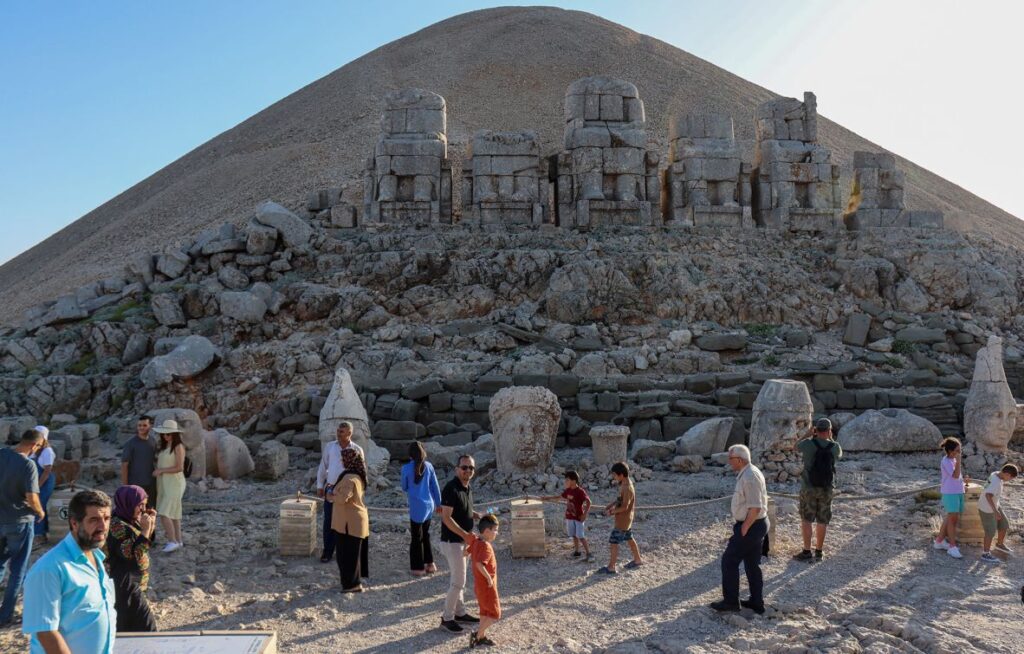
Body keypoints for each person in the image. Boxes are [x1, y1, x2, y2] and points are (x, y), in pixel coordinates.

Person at [22, 489, 116, 654]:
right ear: (74, 523)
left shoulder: (96, 558)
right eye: (94, 520)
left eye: (107, 518)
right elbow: (46, 633)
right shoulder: (49, 569)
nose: (103, 526)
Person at [711, 444, 769, 614]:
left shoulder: (750, 476)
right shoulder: (748, 473)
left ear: (740, 459)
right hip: (755, 524)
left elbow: (755, 507)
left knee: (729, 560)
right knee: (752, 564)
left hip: (751, 525)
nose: (729, 462)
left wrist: (744, 528)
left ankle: (731, 601)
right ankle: (756, 602)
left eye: (731, 458)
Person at [1, 429, 45, 626]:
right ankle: (5, 615)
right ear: (34, 445)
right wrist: (40, 512)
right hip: (20, 521)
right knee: (18, 569)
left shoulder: (2, 454)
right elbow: (32, 497)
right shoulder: (28, 465)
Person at [440, 512, 502, 648]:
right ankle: (477, 634)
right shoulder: (485, 546)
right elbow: (480, 564)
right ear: (487, 531)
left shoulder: (476, 541)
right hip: (487, 586)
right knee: (495, 614)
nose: (497, 533)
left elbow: (465, 553)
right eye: (495, 530)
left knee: (484, 612)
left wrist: (471, 549)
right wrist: (489, 578)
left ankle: (481, 636)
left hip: (479, 586)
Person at [439, 454, 482, 633]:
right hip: (453, 541)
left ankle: (460, 612)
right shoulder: (451, 488)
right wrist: (465, 534)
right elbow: (446, 517)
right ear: (457, 469)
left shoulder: (467, 487)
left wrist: (476, 515)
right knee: (458, 581)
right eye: (464, 467)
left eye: (471, 468)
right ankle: (447, 618)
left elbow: (463, 510)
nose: (468, 471)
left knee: (460, 579)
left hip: (464, 541)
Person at [106, 485, 157, 631]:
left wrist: (151, 526)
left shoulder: (130, 520)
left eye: (145, 505)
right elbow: (130, 554)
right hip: (125, 586)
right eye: (140, 505)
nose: (143, 509)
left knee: (134, 626)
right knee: (144, 627)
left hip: (134, 585)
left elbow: (144, 543)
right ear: (128, 503)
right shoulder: (116, 526)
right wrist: (145, 530)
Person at [793, 418, 842, 562]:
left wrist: (807, 435)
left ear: (816, 430)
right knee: (822, 521)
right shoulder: (835, 447)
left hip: (808, 487)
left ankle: (806, 551)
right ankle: (819, 552)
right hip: (826, 488)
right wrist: (830, 439)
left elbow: (795, 447)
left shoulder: (808, 444)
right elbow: (838, 456)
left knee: (806, 520)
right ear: (829, 430)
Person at [316, 422, 365, 563]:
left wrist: (359, 491)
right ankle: (327, 552)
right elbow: (323, 466)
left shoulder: (357, 449)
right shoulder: (330, 447)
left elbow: (362, 472)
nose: (338, 433)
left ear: (349, 433)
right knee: (329, 521)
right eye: (338, 430)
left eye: (342, 431)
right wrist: (320, 485)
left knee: (347, 521)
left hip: (349, 491)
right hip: (331, 489)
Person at [329, 448, 369, 593]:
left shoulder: (349, 478)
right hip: (352, 521)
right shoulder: (356, 475)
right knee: (350, 554)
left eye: (343, 458)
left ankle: (352, 585)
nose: (341, 461)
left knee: (346, 555)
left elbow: (342, 499)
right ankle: (351, 583)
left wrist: (330, 495)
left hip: (349, 523)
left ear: (348, 460)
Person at [400, 442, 442, 576]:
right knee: (426, 534)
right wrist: (439, 504)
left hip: (416, 507)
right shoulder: (429, 466)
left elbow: (404, 487)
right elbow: (435, 487)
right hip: (429, 506)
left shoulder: (406, 468)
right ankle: (430, 564)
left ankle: (418, 568)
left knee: (416, 537)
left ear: (410, 455)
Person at [597, 461, 642, 574]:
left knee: (614, 542)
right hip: (626, 520)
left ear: (621, 474)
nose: (614, 477)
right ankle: (638, 560)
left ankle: (611, 567)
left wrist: (611, 512)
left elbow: (625, 506)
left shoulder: (627, 487)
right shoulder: (625, 483)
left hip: (623, 521)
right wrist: (611, 505)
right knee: (629, 538)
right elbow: (620, 499)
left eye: (615, 475)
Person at [538, 470, 592, 561]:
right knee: (574, 535)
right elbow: (559, 497)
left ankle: (589, 553)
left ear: (574, 481)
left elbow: (589, 502)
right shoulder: (568, 490)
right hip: (570, 517)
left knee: (581, 536)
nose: (565, 482)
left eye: (567, 480)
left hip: (579, 518)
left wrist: (585, 515)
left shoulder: (580, 491)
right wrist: (546, 498)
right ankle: (577, 551)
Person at [153, 419, 187, 553]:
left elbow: (179, 467)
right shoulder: (165, 446)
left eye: (168, 434)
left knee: (164, 512)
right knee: (174, 513)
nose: (165, 436)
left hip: (175, 483)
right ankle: (178, 540)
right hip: (164, 482)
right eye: (163, 434)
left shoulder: (179, 446)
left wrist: (161, 471)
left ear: (174, 434)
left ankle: (172, 541)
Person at [934, 437, 968, 559]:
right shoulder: (946, 461)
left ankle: (939, 541)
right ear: (950, 451)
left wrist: (963, 485)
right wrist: (959, 461)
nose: (959, 453)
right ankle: (952, 547)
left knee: (950, 517)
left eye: (960, 450)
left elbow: (958, 478)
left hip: (957, 492)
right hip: (950, 493)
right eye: (957, 450)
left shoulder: (953, 460)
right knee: (953, 520)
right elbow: (955, 475)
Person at [979, 464, 1018, 563]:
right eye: (1010, 478)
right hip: (987, 508)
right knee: (990, 531)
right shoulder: (996, 482)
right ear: (1007, 474)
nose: (1009, 480)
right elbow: (988, 495)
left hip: (995, 505)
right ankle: (985, 554)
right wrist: (995, 511)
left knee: (1004, 524)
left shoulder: (996, 473)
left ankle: (999, 544)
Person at [121, 416, 158, 510]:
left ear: (150, 426)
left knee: (150, 510)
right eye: (139, 425)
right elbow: (124, 465)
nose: (141, 428)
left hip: (151, 484)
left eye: (144, 425)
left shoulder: (153, 441)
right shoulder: (130, 444)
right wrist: (125, 487)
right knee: (136, 511)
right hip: (135, 484)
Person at [31, 426, 57, 543]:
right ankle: (39, 532)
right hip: (35, 481)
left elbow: (47, 472)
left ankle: (40, 534)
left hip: (45, 481)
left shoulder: (48, 452)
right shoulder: (34, 450)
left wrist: (37, 486)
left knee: (40, 505)